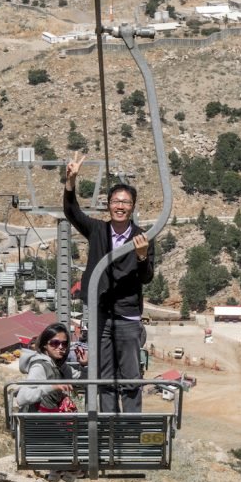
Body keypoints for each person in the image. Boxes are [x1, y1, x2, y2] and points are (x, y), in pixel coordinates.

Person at [63, 151, 154, 412]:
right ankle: (108, 426)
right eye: (116, 201)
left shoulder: (142, 237)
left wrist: (141, 256)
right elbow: (71, 212)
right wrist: (70, 182)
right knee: (104, 374)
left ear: (132, 207)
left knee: (130, 376)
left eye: (125, 202)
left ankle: (130, 427)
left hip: (126, 316)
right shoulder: (98, 230)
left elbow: (146, 278)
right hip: (101, 312)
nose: (120, 206)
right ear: (108, 205)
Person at [16, 323, 88, 412]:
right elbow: (21, 398)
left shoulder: (59, 365)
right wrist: (52, 387)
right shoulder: (39, 366)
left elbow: (82, 379)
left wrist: (83, 364)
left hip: (50, 418)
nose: (61, 347)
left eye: (64, 343)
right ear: (44, 345)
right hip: (37, 422)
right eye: (55, 343)